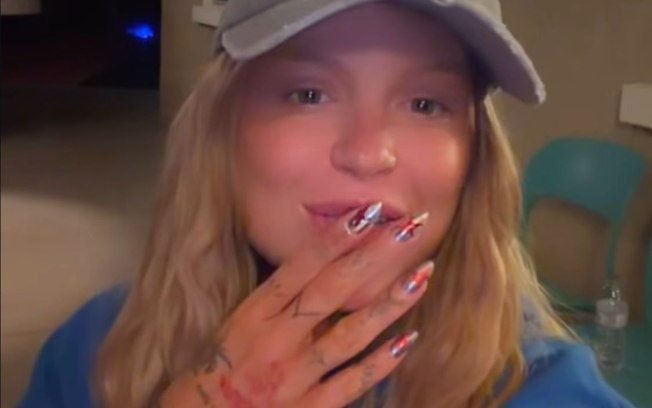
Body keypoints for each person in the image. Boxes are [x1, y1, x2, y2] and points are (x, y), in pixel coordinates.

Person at [20, 1, 633, 407]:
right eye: (309, 94)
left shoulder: (543, 388)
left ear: (474, 155)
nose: (368, 154)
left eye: (426, 104)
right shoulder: (95, 350)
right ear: (223, 131)